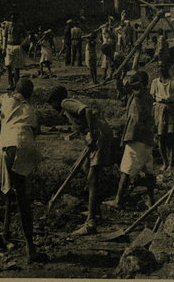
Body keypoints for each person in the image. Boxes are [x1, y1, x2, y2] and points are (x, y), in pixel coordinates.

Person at [0, 79, 45, 263]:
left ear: (15, 89)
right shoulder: (29, 108)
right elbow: (35, 130)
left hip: (7, 144)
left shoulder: (3, 98)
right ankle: (30, 249)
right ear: (29, 94)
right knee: (22, 199)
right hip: (27, 146)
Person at [47, 86, 117, 235]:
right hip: (97, 134)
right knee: (85, 167)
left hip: (99, 134)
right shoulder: (66, 109)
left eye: (51, 103)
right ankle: (96, 211)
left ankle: (90, 223)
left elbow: (87, 111)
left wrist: (91, 134)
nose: (52, 108)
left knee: (92, 177)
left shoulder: (65, 102)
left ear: (56, 100)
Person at [112, 70, 156, 208]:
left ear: (141, 84)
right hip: (146, 139)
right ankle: (151, 200)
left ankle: (118, 200)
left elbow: (137, 120)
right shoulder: (142, 96)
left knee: (126, 169)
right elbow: (126, 91)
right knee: (148, 170)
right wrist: (118, 81)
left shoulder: (140, 98)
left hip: (137, 138)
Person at [150, 60, 174, 171]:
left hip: (172, 109)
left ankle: (171, 163)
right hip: (159, 110)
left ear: (168, 67)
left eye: (163, 66)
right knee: (161, 137)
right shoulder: (155, 82)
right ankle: (165, 162)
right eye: (159, 66)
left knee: (171, 137)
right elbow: (152, 99)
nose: (161, 68)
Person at [4, 12, 28, 91]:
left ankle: (17, 85)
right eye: (12, 18)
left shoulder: (20, 26)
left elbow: (26, 36)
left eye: (14, 18)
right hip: (9, 46)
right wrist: (3, 47)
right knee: (8, 65)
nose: (13, 20)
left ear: (17, 19)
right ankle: (10, 84)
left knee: (17, 67)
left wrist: (22, 44)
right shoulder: (7, 25)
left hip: (17, 46)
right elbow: (5, 36)